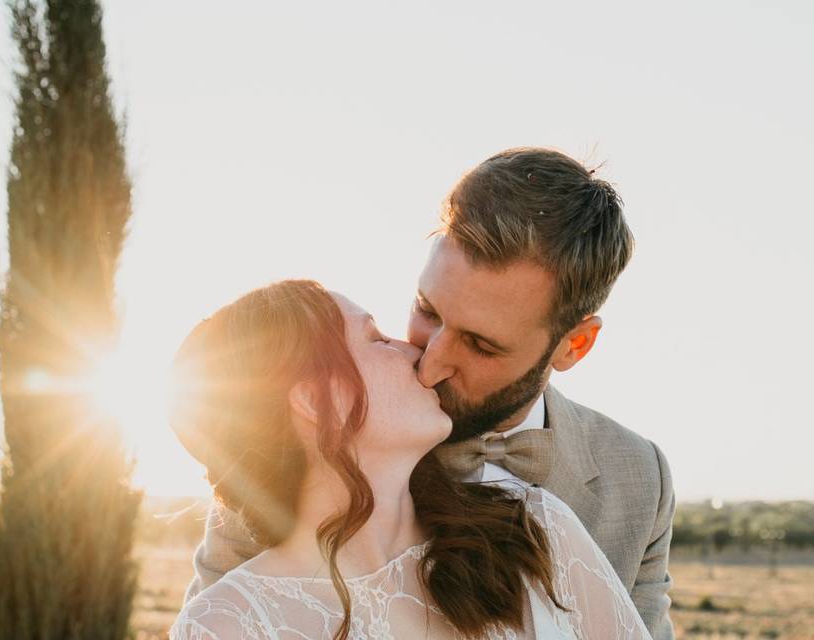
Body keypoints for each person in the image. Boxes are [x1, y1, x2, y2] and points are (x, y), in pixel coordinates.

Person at [185, 148, 676, 638]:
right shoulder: (291, 469)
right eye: (428, 311)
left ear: (573, 345)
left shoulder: (635, 480)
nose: (429, 361)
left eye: (480, 345)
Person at [168, 279, 651, 639]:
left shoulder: (537, 531)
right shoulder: (225, 624)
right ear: (317, 401)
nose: (416, 352)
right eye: (377, 339)